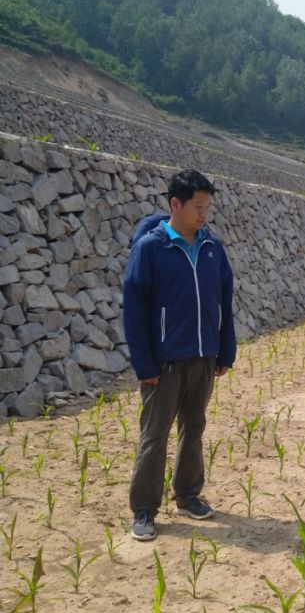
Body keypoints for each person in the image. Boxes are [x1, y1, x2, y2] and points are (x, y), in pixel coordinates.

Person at [123, 169, 236, 541]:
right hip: (164, 361)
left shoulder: (211, 248)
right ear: (176, 204)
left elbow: (224, 301)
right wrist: (144, 363)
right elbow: (135, 310)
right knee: (155, 435)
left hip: (203, 356)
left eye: (208, 207)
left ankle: (188, 495)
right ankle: (144, 509)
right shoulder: (151, 248)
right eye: (197, 207)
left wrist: (225, 349)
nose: (204, 214)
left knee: (195, 427)